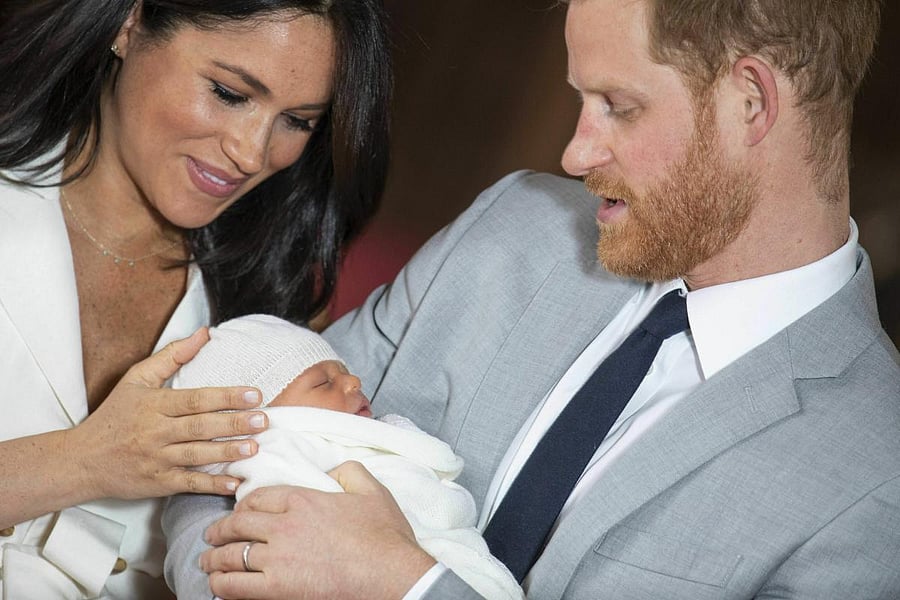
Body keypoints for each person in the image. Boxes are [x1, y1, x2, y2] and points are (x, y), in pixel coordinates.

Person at [166, 0, 900, 598]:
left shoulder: (877, 482)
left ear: (751, 101)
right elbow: (223, 448)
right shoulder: (513, 226)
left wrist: (408, 587)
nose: (575, 155)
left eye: (619, 105)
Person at [0, 0, 390, 597]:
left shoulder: (274, 306)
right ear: (130, 24)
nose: (253, 152)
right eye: (231, 93)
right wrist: (83, 460)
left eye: (298, 121)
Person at [167, 313, 524, 600]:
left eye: (344, 371)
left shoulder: (381, 435)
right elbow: (292, 528)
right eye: (324, 382)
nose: (354, 381)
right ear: (259, 419)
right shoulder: (276, 451)